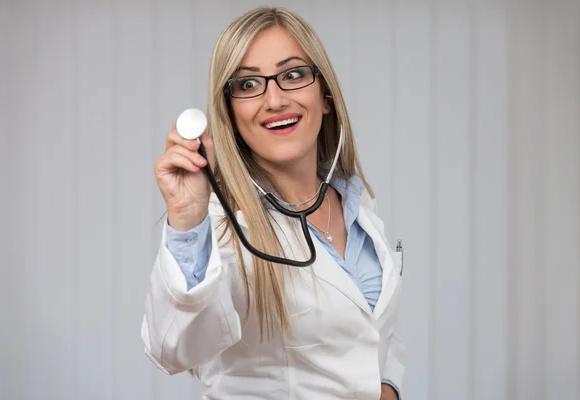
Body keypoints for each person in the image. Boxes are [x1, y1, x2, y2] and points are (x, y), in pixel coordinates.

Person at [142, 6, 405, 400]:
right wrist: (186, 218)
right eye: (248, 85)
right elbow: (173, 349)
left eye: (294, 74)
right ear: (230, 113)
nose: (275, 99)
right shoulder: (226, 227)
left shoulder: (353, 199)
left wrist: (389, 387)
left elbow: (370, 330)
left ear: (326, 95)